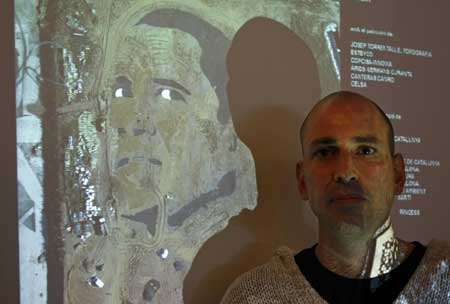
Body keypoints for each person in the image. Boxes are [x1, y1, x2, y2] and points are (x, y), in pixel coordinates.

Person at [65, 7, 257, 304]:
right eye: (120, 91)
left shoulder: (245, 259)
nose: (133, 121)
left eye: (168, 95)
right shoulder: (83, 259)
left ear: (223, 133)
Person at [220, 91, 450, 303]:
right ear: (302, 182)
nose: (346, 172)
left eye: (365, 151)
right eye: (325, 152)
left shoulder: (445, 275)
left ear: (398, 175)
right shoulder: (255, 297)